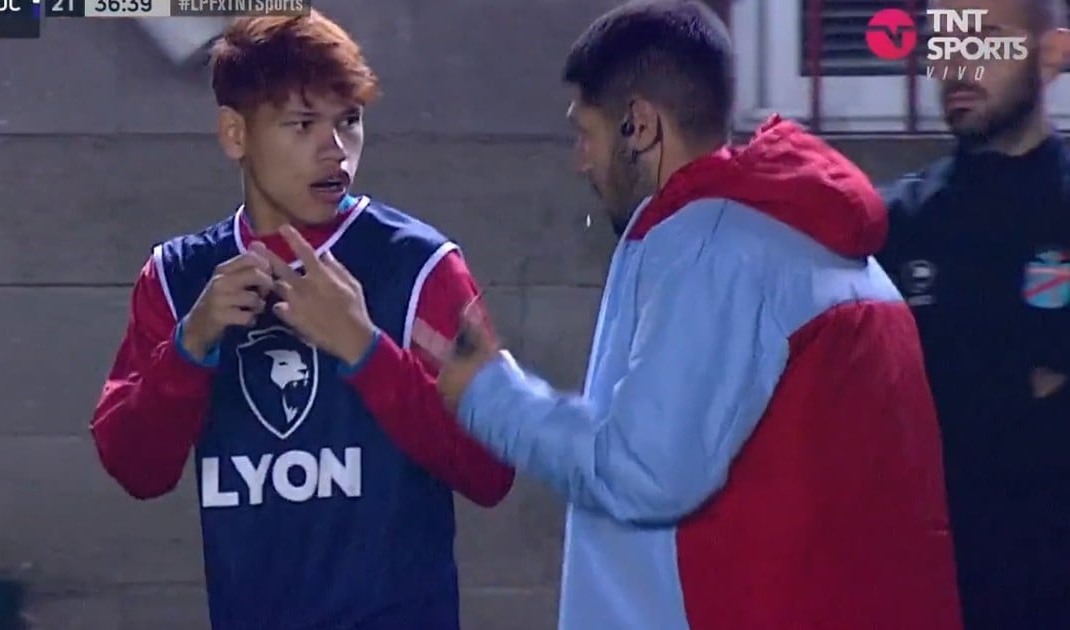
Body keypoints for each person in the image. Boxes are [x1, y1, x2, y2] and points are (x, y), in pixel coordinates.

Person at [430, 1, 962, 628]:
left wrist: (489, 396)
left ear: (639, 125)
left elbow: (644, 472)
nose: (580, 160)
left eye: (587, 133)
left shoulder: (712, 247)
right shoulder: (802, 235)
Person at [88, 13, 514, 630]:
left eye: (350, 120)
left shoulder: (420, 266)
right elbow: (137, 471)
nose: (335, 149)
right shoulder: (177, 277)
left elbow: (493, 470)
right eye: (303, 124)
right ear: (235, 134)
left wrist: (367, 351)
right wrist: (191, 347)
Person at [877, 0, 1070, 627]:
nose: (959, 61)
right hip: (933, 594)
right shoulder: (895, 225)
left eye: (987, 38)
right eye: (945, 41)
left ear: (1052, 55)